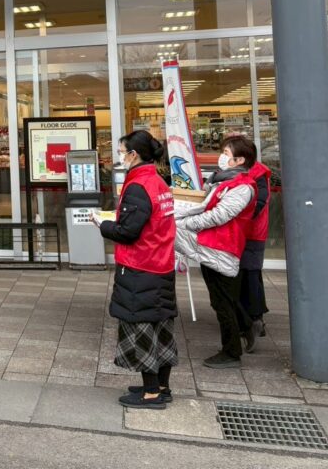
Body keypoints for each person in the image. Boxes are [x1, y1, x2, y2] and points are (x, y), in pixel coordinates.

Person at [94, 130, 177, 409]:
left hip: (140, 266)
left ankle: (151, 393)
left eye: (121, 151)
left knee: (140, 327)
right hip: (161, 263)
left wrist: (102, 224)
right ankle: (161, 386)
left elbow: (128, 232)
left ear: (134, 154)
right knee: (161, 327)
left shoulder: (138, 185)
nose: (119, 156)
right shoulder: (159, 182)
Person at [175, 135, 258, 369]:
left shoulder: (242, 187)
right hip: (210, 246)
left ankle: (231, 352)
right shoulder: (223, 181)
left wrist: (185, 223)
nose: (221, 157)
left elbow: (219, 215)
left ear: (240, 160)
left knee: (222, 302)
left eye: (226, 153)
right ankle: (247, 326)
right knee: (223, 297)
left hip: (222, 248)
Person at [239, 158, 272, 350]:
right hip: (247, 231)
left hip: (251, 232)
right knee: (250, 274)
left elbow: (259, 201)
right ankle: (256, 317)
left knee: (249, 275)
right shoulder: (253, 171)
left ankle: (253, 320)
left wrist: (240, 216)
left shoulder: (257, 173)